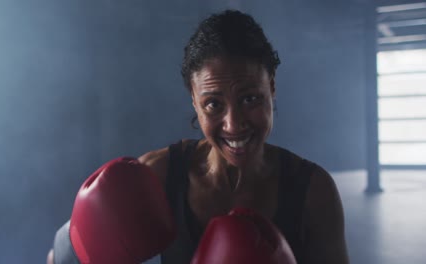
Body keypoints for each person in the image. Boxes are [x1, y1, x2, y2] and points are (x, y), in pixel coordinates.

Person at [47, 9, 349, 264]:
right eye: (213, 104)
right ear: (194, 100)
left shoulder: (313, 192)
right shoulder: (159, 174)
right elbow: (57, 259)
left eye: (250, 99)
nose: (233, 125)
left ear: (271, 87)